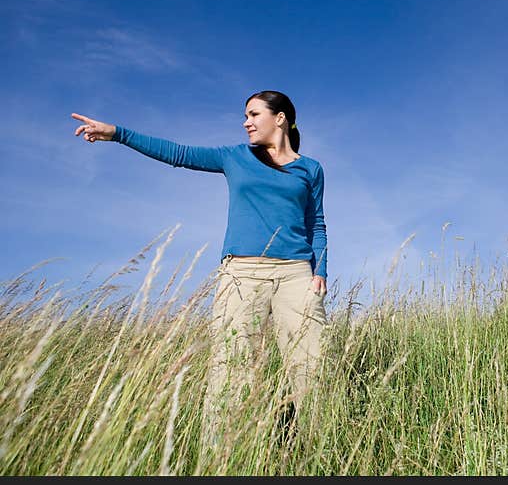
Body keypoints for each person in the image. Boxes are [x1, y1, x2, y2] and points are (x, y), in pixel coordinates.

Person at [71, 90, 329, 451]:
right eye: (246, 115)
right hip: (242, 274)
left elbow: (316, 224)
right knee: (231, 371)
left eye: (254, 114)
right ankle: (221, 459)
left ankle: (316, 452)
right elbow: (179, 154)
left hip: (296, 275)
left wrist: (321, 271)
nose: (246, 122)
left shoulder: (310, 168)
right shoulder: (236, 157)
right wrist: (118, 133)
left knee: (311, 368)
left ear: (280, 117)